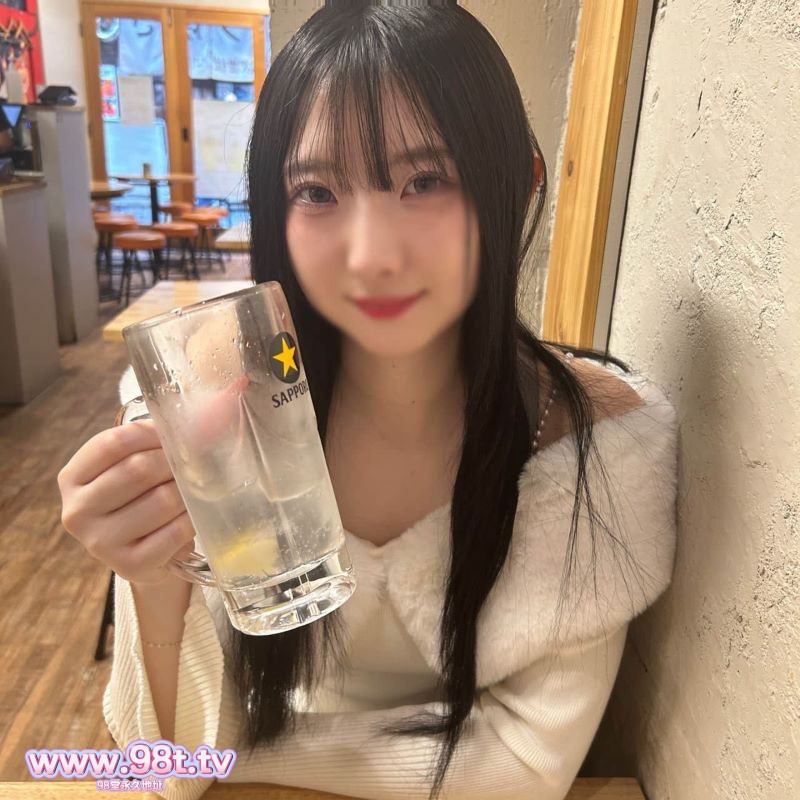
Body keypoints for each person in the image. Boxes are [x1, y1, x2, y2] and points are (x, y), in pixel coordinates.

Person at [58, 3, 679, 800]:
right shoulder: (205, 413)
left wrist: (249, 760)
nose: (373, 255)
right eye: (317, 191)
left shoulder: (599, 451)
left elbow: (526, 769)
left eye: (426, 181)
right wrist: (150, 579)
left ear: (518, 185)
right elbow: (163, 771)